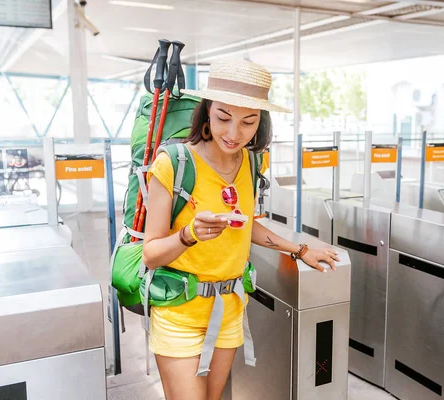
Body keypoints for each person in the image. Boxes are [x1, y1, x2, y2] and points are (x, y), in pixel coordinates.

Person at [142, 59, 340, 400]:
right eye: (223, 118)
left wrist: (302, 251)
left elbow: (246, 227)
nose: (234, 134)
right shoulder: (173, 164)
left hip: (229, 310)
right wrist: (188, 235)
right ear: (206, 111)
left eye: (248, 122)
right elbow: (151, 254)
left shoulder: (251, 161)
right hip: (180, 314)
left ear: (261, 122)